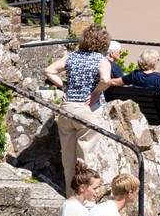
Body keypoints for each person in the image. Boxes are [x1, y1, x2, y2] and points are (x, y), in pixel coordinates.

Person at [43, 25, 120, 190]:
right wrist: (95, 93)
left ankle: (71, 195)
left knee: (68, 158)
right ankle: (85, 196)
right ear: (103, 43)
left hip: (67, 108)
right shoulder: (101, 60)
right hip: (87, 111)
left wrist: (64, 86)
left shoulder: (71, 56)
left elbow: (49, 70)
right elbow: (106, 80)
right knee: (86, 157)